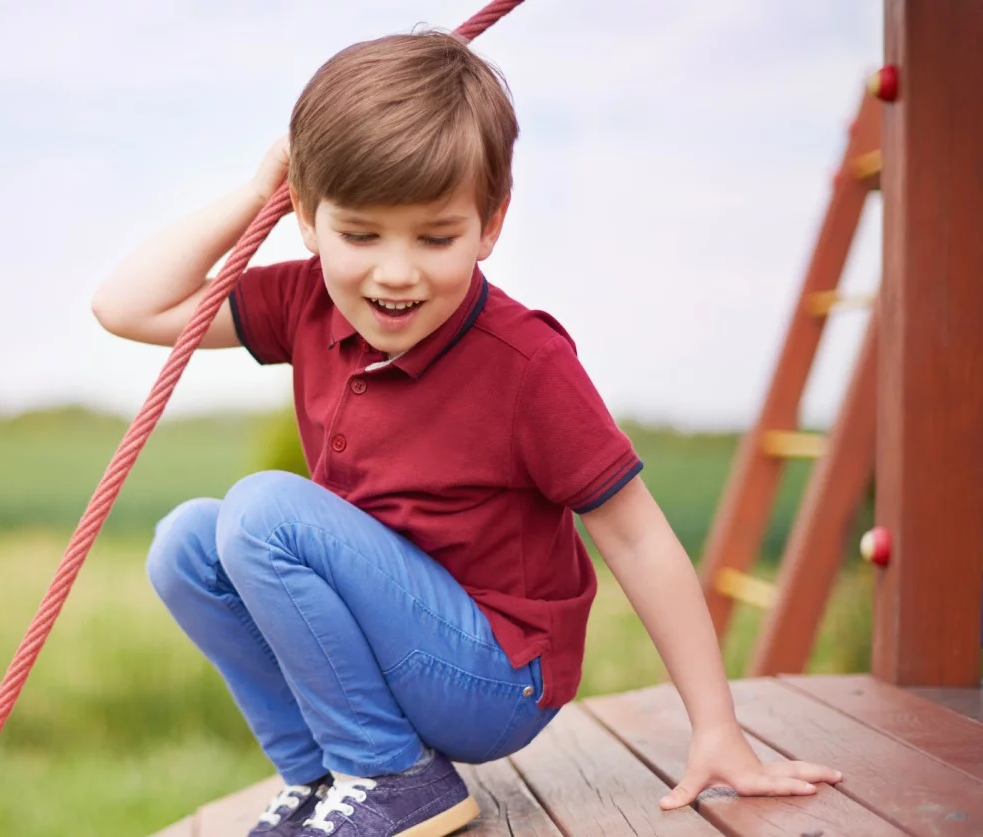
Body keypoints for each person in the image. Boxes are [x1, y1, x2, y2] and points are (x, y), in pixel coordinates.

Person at [90, 29, 842, 837]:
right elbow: (129, 307)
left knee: (261, 510)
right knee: (186, 544)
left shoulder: (526, 363)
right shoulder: (308, 300)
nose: (396, 272)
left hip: (495, 678)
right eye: (361, 234)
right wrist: (257, 191)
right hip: (395, 648)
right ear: (306, 216)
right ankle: (322, 775)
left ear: (490, 224)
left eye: (436, 237)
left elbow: (636, 536)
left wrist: (716, 726)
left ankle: (393, 774)